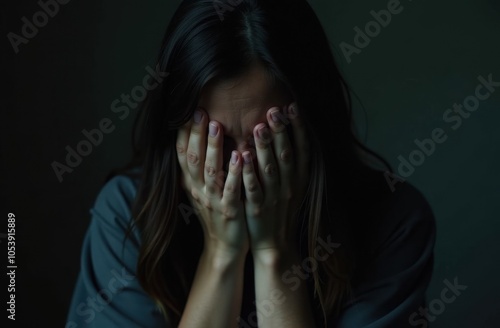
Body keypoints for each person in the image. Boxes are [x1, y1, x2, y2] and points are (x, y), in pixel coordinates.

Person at [66, 0, 436, 327]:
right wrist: (221, 255)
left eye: (267, 138)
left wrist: (274, 254)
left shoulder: (394, 221)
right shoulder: (125, 216)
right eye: (218, 141)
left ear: (311, 126)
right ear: (178, 136)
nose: (241, 169)